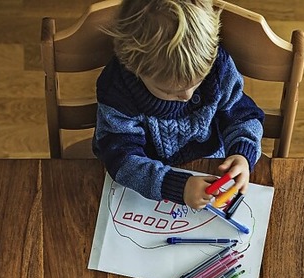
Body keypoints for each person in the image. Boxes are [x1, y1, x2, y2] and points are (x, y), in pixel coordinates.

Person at [93, 0, 264, 209]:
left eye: (198, 82)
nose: (187, 96)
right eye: (169, 91)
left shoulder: (218, 68)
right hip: (146, 178)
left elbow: (243, 116)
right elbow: (121, 157)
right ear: (134, 66)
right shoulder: (117, 89)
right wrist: (175, 186)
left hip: (211, 161)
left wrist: (242, 153)